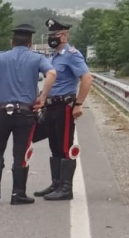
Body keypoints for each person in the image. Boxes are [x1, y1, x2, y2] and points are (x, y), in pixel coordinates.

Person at [0, 24, 57, 205]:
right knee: (20, 153)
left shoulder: (0, 58)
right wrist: (42, 97)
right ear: (30, 43)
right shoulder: (36, 58)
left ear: (11, 42)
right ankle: (18, 193)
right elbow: (52, 73)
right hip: (25, 113)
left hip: (1, 112)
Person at [33, 19, 93, 200]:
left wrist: (79, 103)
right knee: (54, 146)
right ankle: (56, 183)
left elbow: (87, 78)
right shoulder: (53, 57)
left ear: (65, 35)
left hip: (64, 106)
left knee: (65, 146)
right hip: (51, 106)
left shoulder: (72, 55)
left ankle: (66, 188)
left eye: (55, 35)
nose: (52, 38)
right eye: (50, 35)